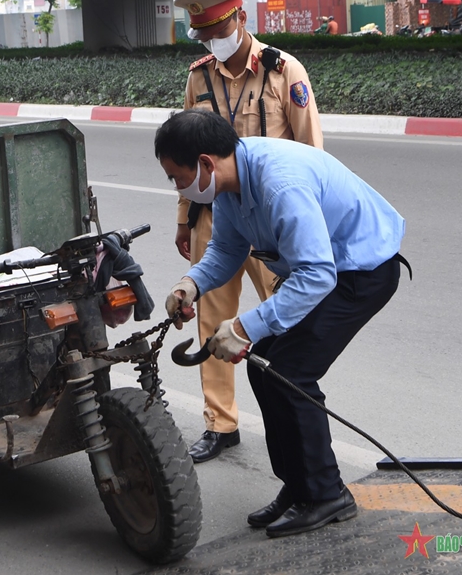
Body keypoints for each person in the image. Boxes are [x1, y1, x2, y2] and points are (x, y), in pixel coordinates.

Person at [160, 109, 407, 537]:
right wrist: (189, 285)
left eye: (178, 178)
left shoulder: (280, 184)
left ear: (204, 163)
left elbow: (317, 275)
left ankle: (328, 494)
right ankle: (299, 487)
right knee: (265, 366)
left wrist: (243, 328)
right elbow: (226, 249)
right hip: (323, 273)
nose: (179, 188)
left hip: (361, 273)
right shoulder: (229, 185)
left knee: (290, 372)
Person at [173, 0, 323, 463]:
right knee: (212, 323)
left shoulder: (284, 71)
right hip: (214, 219)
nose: (211, 40)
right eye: (202, 34)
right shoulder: (198, 77)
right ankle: (221, 423)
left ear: (239, 19)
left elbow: (310, 153)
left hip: (274, 223)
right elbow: (183, 153)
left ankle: (292, 409)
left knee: (281, 320)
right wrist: (183, 218)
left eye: (216, 29)